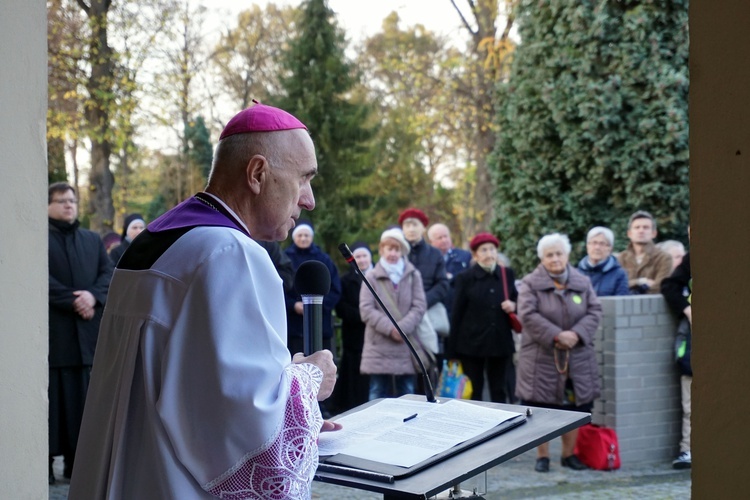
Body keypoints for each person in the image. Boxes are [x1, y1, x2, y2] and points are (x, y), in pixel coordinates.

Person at [69, 103, 339, 499]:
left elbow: (196, 382)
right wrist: (309, 381)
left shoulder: (154, 240)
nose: (309, 200)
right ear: (258, 173)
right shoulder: (230, 252)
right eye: (303, 179)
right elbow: (240, 423)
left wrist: (285, 385)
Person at [516, 233, 602, 473]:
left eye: (558, 253)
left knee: (576, 407)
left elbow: (595, 310)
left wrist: (576, 334)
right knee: (541, 408)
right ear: (542, 258)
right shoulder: (530, 283)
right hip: (541, 358)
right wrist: (556, 335)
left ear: (567, 255)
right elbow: (527, 315)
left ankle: (568, 455)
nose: (554, 259)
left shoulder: (582, 282)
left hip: (578, 355)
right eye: (549, 255)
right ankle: (542, 456)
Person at [47, 182, 113, 484]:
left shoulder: (91, 239)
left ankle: (78, 467)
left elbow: (108, 273)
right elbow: (40, 280)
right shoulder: (38, 239)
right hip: (55, 339)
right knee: (53, 409)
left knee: (83, 408)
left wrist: (92, 297)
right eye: (61, 201)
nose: (68, 205)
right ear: (48, 205)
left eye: (72, 200)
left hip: (87, 339)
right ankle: (44, 466)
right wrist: (74, 300)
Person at [447, 232, 518, 403]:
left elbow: (515, 297)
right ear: (475, 254)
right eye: (484, 250)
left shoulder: (506, 274)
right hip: (472, 344)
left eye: (492, 249)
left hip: (500, 341)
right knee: (474, 392)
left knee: (499, 390)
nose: (489, 254)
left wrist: (513, 305)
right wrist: (451, 351)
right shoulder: (465, 278)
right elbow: (457, 312)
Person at [360, 228, 427, 400]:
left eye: (397, 249)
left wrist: (402, 329)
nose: (393, 253)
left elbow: (419, 306)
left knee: (408, 393)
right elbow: (366, 309)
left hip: (406, 344)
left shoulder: (413, 275)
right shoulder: (371, 276)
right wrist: (391, 329)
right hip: (379, 345)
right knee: (377, 393)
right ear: (382, 250)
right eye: (389, 248)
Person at [284, 221, 342, 356]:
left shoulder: (324, 259)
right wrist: (293, 305)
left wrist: (316, 305)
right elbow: (279, 288)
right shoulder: (285, 258)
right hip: (294, 325)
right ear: (294, 237)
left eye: (306, 235)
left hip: (320, 325)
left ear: (311, 237)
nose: (303, 238)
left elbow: (335, 289)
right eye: (300, 235)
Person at [399, 209, 449, 360]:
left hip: (428, 316)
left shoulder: (434, 254)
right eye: (407, 225)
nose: (411, 229)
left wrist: (421, 303)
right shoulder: (396, 253)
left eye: (415, 224)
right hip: (401, 316)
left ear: (423, 227)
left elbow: (442, 284)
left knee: (429, 366)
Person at [661, 232, 692, 470]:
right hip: (695, 341)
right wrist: (688, 310)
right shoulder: (694, 258)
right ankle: (688, 450)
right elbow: (669, 285)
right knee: (690, 401)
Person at [332, 241, 373, 413]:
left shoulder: (380, 277)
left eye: (364, 256)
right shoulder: (346, 280)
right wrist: (365, 316)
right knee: (354, 379)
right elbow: (341, 308)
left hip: (378, 336)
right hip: (355, 337)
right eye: (358, 256)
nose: (362, 260)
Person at [617, 210, 673, 294]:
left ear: (654, 233)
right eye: (637, 227)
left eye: (646, 227)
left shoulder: (664, 258)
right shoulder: (621, 258)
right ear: (629, 233)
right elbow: (616, 286)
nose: (641, 230)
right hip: (625, 306)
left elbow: (660, 286)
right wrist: (640, 282)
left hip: (652, 305)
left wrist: (630, 286)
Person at [427, 222, 472, 316]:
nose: (444, 240)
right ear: (431, 241)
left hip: (460, 308)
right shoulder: (427, 260)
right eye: (439, 238)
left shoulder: (465, 256)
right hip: (437, 310)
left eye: (446, 236)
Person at [576, 226, 630, 296]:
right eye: (594, 243)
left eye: (602, 244)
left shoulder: (619, 275)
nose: (597, 247)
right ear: (587, 246)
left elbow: (621, 303)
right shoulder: (576, 274)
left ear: (610, 248)